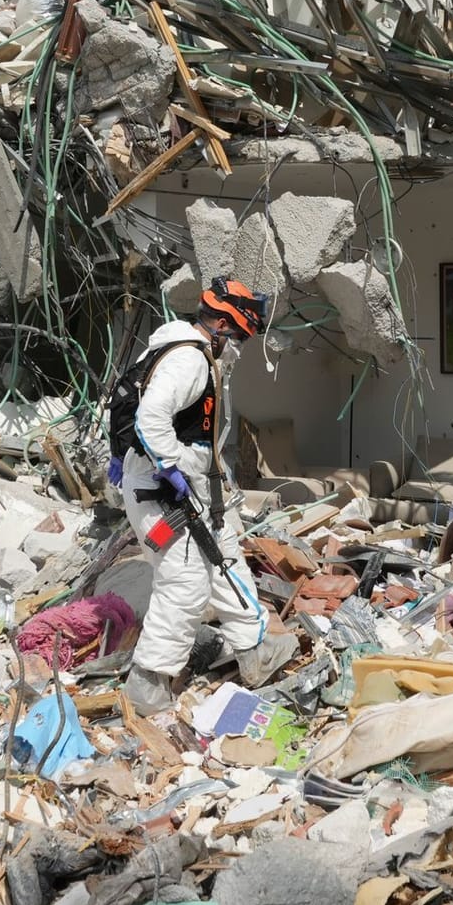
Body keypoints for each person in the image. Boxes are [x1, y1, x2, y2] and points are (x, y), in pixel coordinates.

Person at [110, 277, 294, 712]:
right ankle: (147, 683)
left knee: (225, 558)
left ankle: (254, 651)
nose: (240, 348)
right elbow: (151, 418)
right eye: (242, 337)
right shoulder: (189, 360)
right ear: (227, 327)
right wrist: (170, 470)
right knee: (186, 581)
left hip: (196, 487)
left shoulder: (178, 350)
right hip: (166, 493)